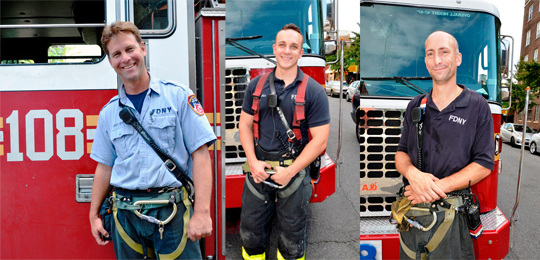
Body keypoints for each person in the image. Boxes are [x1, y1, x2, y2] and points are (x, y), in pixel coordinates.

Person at [88, 21, 216, 259]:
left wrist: (202, 212)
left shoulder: (178, 96)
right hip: (125, 215)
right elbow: (105, 166)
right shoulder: (109, 113)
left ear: (143, 48)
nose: (125, 59)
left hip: (173, 211)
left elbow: (201, 154)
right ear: (110, 62)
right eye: (116, 54)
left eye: (130, 49)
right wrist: (93, 214)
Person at [395, 31, 495, 259]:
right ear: (426, 61)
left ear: (458, 58)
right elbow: (401, 153)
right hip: (413, 215)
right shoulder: (415, 105)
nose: (437, 60)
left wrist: (431, 190)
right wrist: (413, 175)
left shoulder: (477, 106)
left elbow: (483, 164)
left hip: (454, 218)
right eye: (431, 54)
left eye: (444, 52)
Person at [238, 24, 330, 260]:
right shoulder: (255, 87)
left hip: (294, 173)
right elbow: (245, 126)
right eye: (282, 45)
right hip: (258, 171)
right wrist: (253, 162)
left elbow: (319, 142)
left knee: (292, 238)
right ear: (274, 49)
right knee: (251, 234)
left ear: (301, 52)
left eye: (293, 47)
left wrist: (291, 171)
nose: (287, 51)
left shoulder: (314, 91)